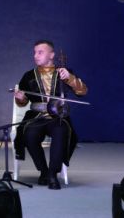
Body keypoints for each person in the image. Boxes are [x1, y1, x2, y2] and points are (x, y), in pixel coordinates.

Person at [13, 40, 88, 190]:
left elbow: (83, 91)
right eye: (35, 52)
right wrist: (20, 98)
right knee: (29, 135)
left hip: (58, 117)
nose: (36, 55)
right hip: (36, 116)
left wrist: (70, 78)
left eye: (40, 52)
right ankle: (44, 171)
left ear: (52, 55)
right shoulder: (28, 75)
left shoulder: (63, 72)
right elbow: (23, 102)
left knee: (61, 133)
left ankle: (53, 173)